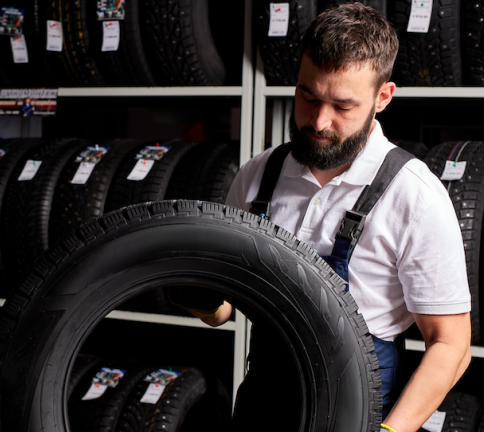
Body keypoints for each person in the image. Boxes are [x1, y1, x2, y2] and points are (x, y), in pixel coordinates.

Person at [179, 4, 472, 431]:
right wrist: (195, 294)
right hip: (261, 405)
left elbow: (451, 344)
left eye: (342, 106)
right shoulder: (258, 175)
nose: (318, 121)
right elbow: (224, 310)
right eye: (308, 96)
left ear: (383, 97)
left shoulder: (415, 195)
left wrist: (391, 431)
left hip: (358, 415)